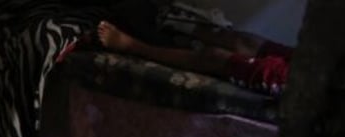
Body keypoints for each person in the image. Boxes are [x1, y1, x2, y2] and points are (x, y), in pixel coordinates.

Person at [95, 18, 293, 96]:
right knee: (243, 41)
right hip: (311, 67)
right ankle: (168, 20)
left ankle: (133, 46)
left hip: (304, 87)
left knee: (215, 57)